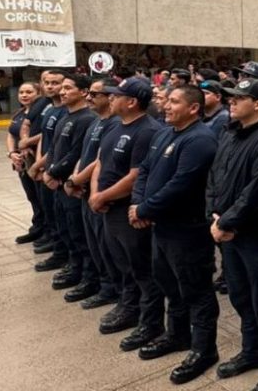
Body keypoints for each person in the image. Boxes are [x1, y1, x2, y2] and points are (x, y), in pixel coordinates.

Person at [130, 85, 220, 383]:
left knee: (197, 291)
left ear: (194, 108)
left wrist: (144, 209)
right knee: (168, 283)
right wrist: (137, 204)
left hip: (187, 231)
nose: (166, 106)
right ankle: (177, 335)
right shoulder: (165, 133)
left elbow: (181, 185)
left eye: (174, 101)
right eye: (166, 100)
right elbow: (144, 170)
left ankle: (204, 350)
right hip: (162, 227)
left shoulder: (200, 139)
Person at [207, 79, 258, 390]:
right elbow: (215, 176)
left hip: (254, 236)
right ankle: (252, 351)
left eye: (239, 98)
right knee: (241, 297)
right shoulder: (230, 132)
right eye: (231, 97)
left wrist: (226, 222)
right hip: (228, 233)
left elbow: (256, 192)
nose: (231, 102)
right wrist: (214, 216)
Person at [88, 78, 165, 348]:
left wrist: (103, 196)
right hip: (108, 207)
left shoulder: (147, 131)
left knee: (142, 269)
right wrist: (95, 194)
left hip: (128, 211)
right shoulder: (115, 126)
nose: (110, 98)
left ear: (131, 102)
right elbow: (100, 162)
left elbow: (135, 176)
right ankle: (129, 306)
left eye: (116, 95)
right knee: (122, 263)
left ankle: (151, 322)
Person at [65, 78, 123, 309]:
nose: (89, 97)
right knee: (93, 244)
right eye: (89, 93)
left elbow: (101, 159)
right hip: (85, 190)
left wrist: (77, 180)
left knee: (106, 248)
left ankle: (111, 289)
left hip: (98, 194)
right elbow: (84, 154)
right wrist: (74, 177)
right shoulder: (96, 122)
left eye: (95, 94)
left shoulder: (115, 124)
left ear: (110, 96)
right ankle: (101, 283)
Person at [41, 74, 99, 294]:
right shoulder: (66, 116)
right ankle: (75, 267)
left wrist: (54, 172)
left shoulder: (86, 119)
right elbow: (54, 149)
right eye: (62, 88)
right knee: (66, 230)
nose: (62, 92)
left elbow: (76, 154)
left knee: (79, 234)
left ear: (83, 92)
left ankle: (89, 277)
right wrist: (48, 171)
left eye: (68, 88)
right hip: (58, 184)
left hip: (71, 186)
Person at [27, 70, 70, 274]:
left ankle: (63, 254)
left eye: (55, 83)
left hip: (54, 172)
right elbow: (45, 138)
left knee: (61, 218)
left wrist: (40, 166)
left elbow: (57, 146)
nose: (50, 86)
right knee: (50, 213)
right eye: (47, 82)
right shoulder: (51, 109)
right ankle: (56, 246)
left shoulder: (66, 112)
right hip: (44, 168)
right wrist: (38, 163)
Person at [7, 82, 43, 245]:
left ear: (38, 93)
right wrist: (12, 153)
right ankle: (37, 227)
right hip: (21, 163)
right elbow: (10, 134)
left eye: (29, 92)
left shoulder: (41, 113)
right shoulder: (19, 113)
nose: (24, 95)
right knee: (32, 197)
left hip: (36, 162)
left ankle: (46, 230)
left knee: (41, 198)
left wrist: (27, 144)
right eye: (21, 92)